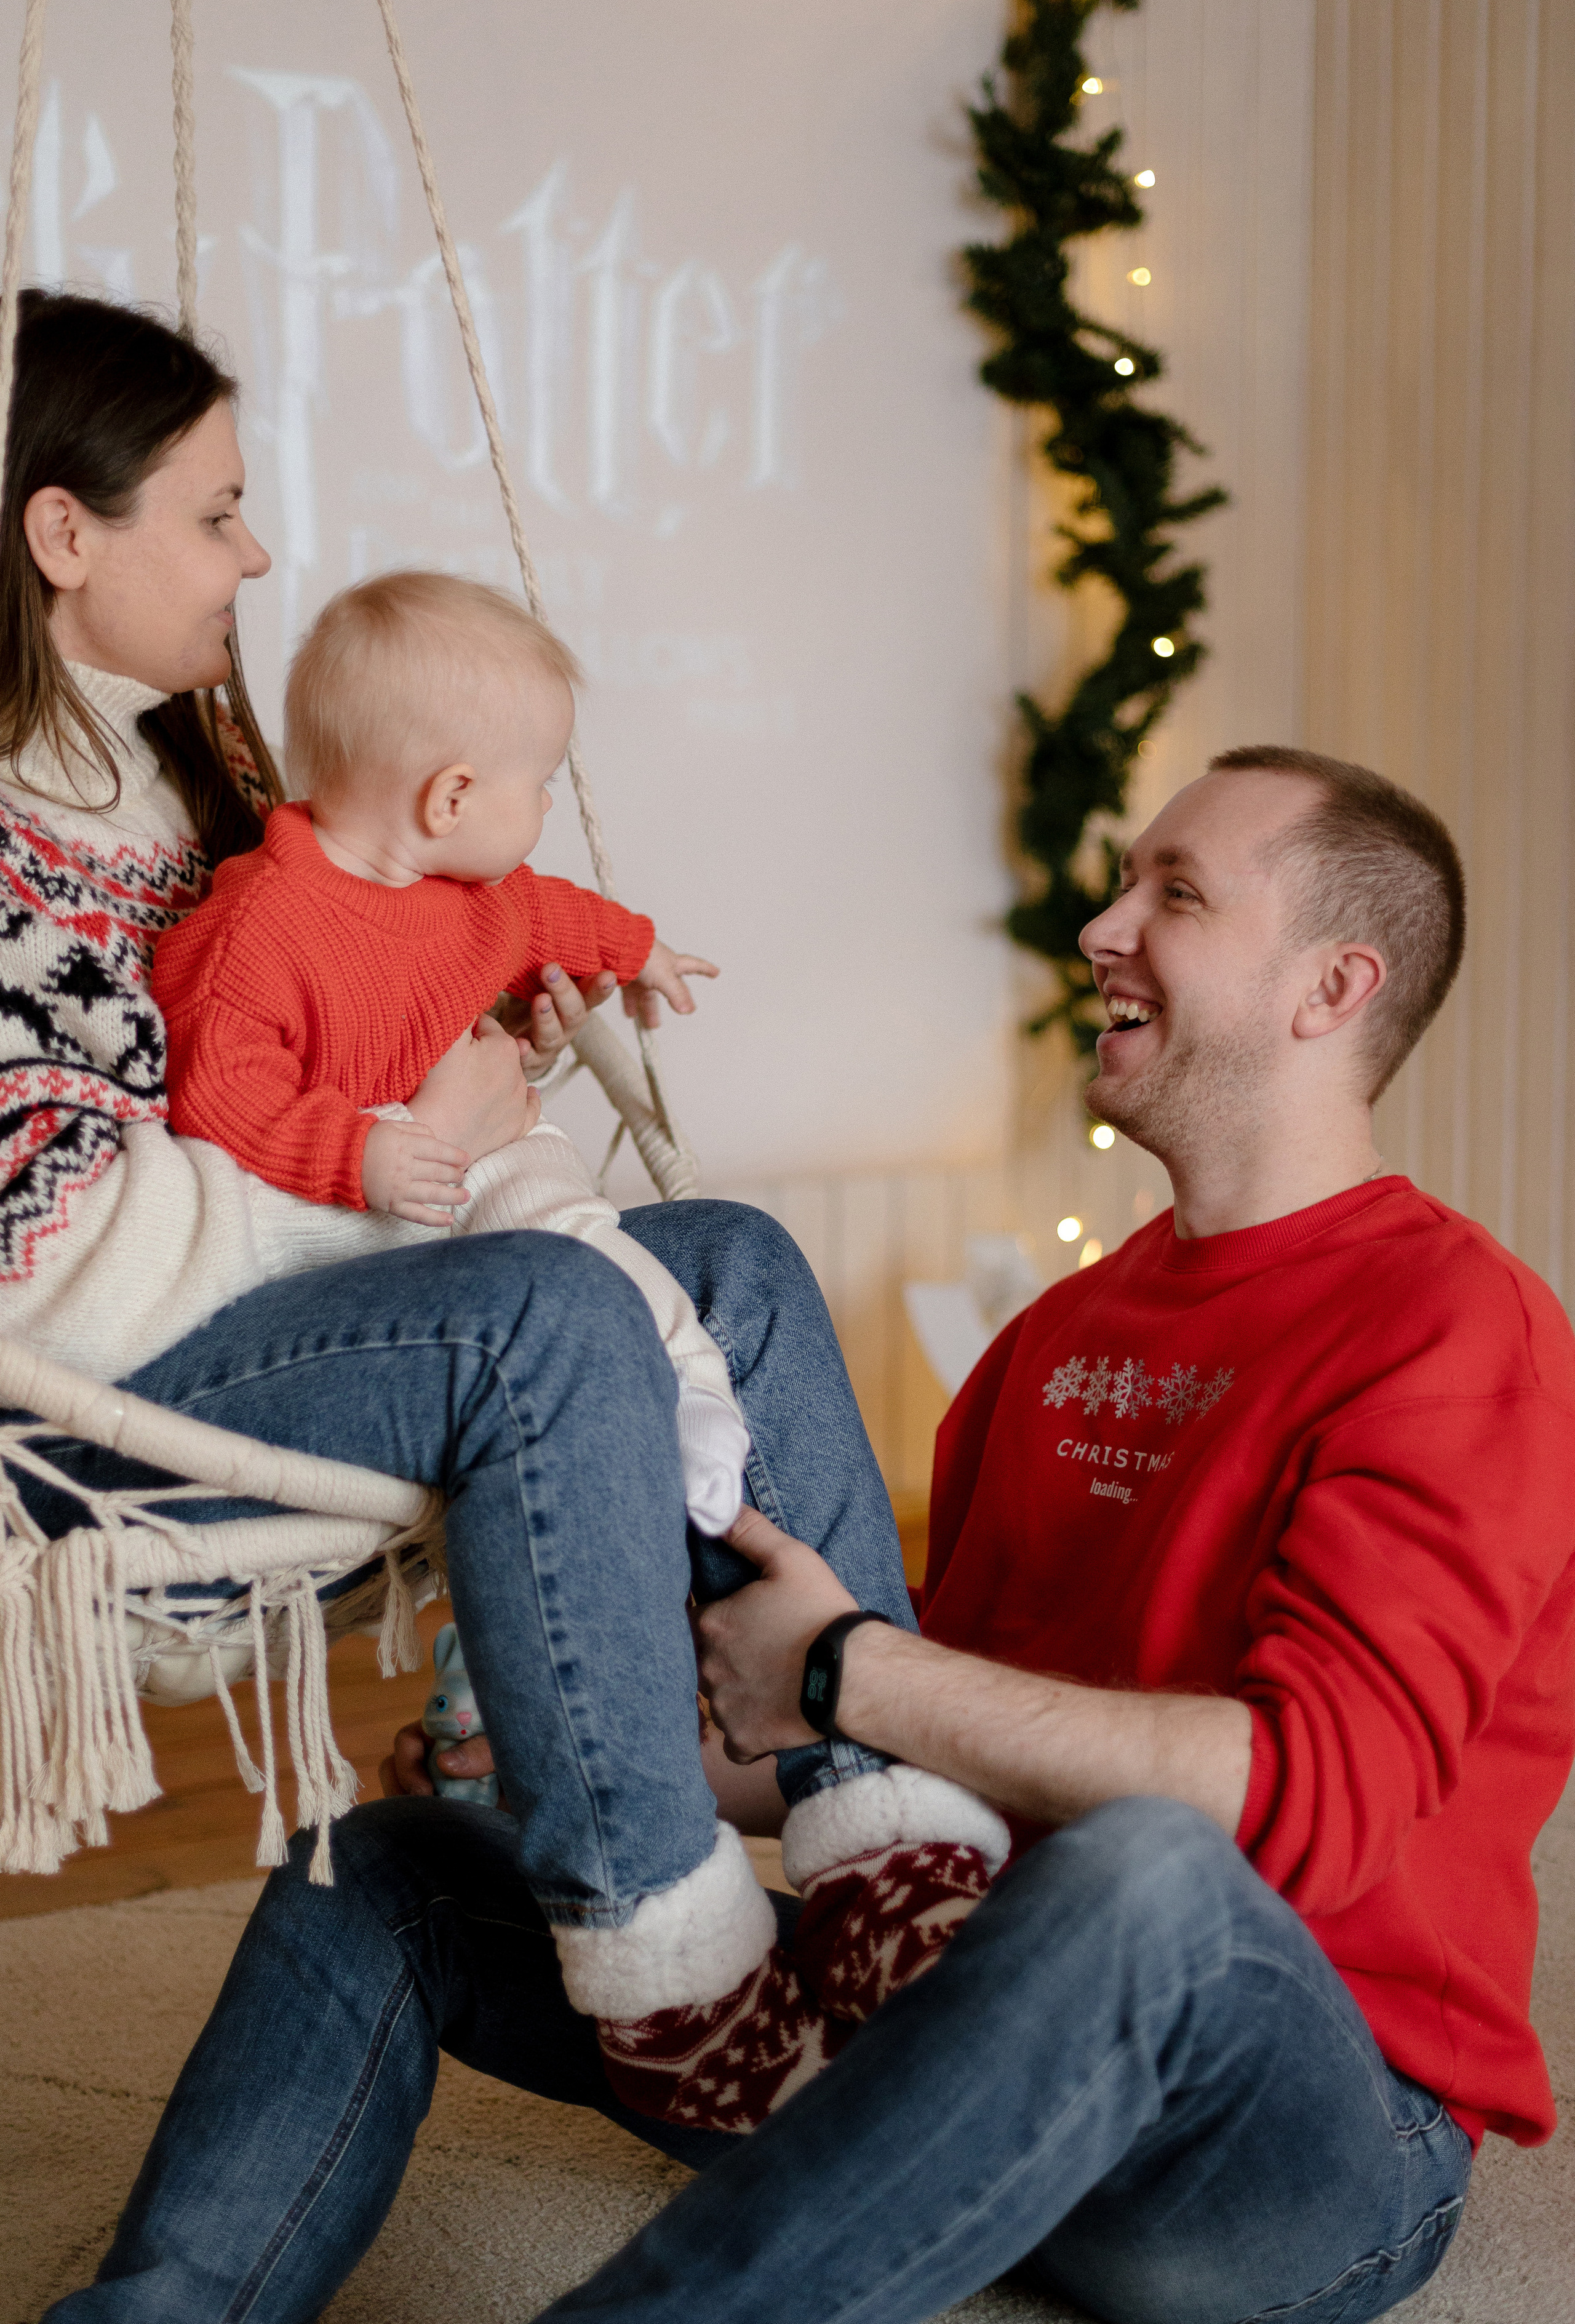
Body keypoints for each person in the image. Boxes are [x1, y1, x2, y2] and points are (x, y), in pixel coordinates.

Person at [84, 740, 1575, 2324]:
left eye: (1178, 894)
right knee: (391, 1872)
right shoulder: (1055, 1335)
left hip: (1292, 2140)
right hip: (961, 2039)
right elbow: (931, 1742)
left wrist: (850, 1668)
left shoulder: (1453, 1324)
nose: (1101, 927)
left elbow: (1308, 1807)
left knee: (1144, 1877)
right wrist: (599, 1752)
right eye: (1126, 878)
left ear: (1330, 988)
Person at [0, 289, 989, 2312]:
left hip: (326, 1271)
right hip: (109, 1384)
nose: (261, 555)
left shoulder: (204, 795)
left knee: (733, 1261)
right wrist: (408, 1155)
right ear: (60, 534)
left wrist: (475, 1035)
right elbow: (58, 1212)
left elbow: (381, 963)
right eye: (216, 511)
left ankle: (879, 1814)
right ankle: (666, 1949)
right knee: (546, 1310)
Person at [148, 564, 752, 1539]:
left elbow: (555, 912)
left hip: (487, 1157)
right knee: (554, 1311)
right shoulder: (259, 930)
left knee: (588, 1238)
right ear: (452, 796)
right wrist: (360, 1152)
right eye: (542, 783)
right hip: (355, 1214)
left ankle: (693, 1394)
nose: (549, 807)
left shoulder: (473, 895)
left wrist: (640, 950)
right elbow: (222, 1091)